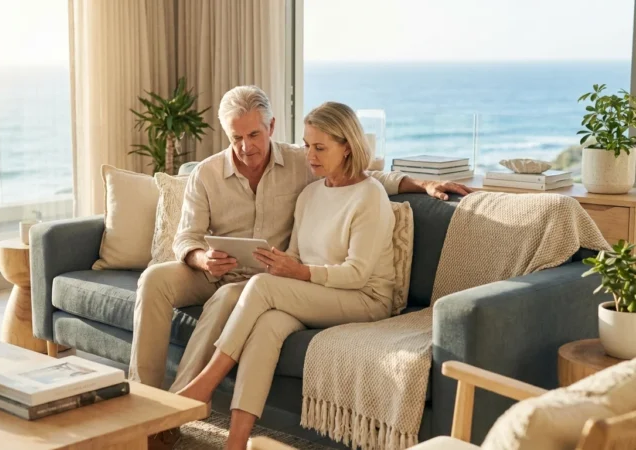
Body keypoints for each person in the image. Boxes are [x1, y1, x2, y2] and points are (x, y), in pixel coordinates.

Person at [129, 85, 470, 446]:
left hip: (324, 289)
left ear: (272, 126)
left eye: (254, 135)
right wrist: (202, 258)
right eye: (236, 137)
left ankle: (200, 387)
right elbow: (190, 237)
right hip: (231, 274)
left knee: (253, 297)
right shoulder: (285, 185)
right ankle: (206, 430)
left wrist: (421, 182)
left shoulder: (320, 173)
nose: (246, 146)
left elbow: (365, 189)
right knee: (172, 286)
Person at [173, 101, 397, 448]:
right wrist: (279, 263)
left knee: (261, 287)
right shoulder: (309, 194)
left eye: (321, 148)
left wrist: (299, 272)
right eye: (307, 145)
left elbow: (357, 274)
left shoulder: (370, 196)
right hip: (321, 293)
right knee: (267, 326)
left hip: (365, 298)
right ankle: (236, 442)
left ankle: (204, 384)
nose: (310, 156)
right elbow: (293, 254)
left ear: (348, 147)